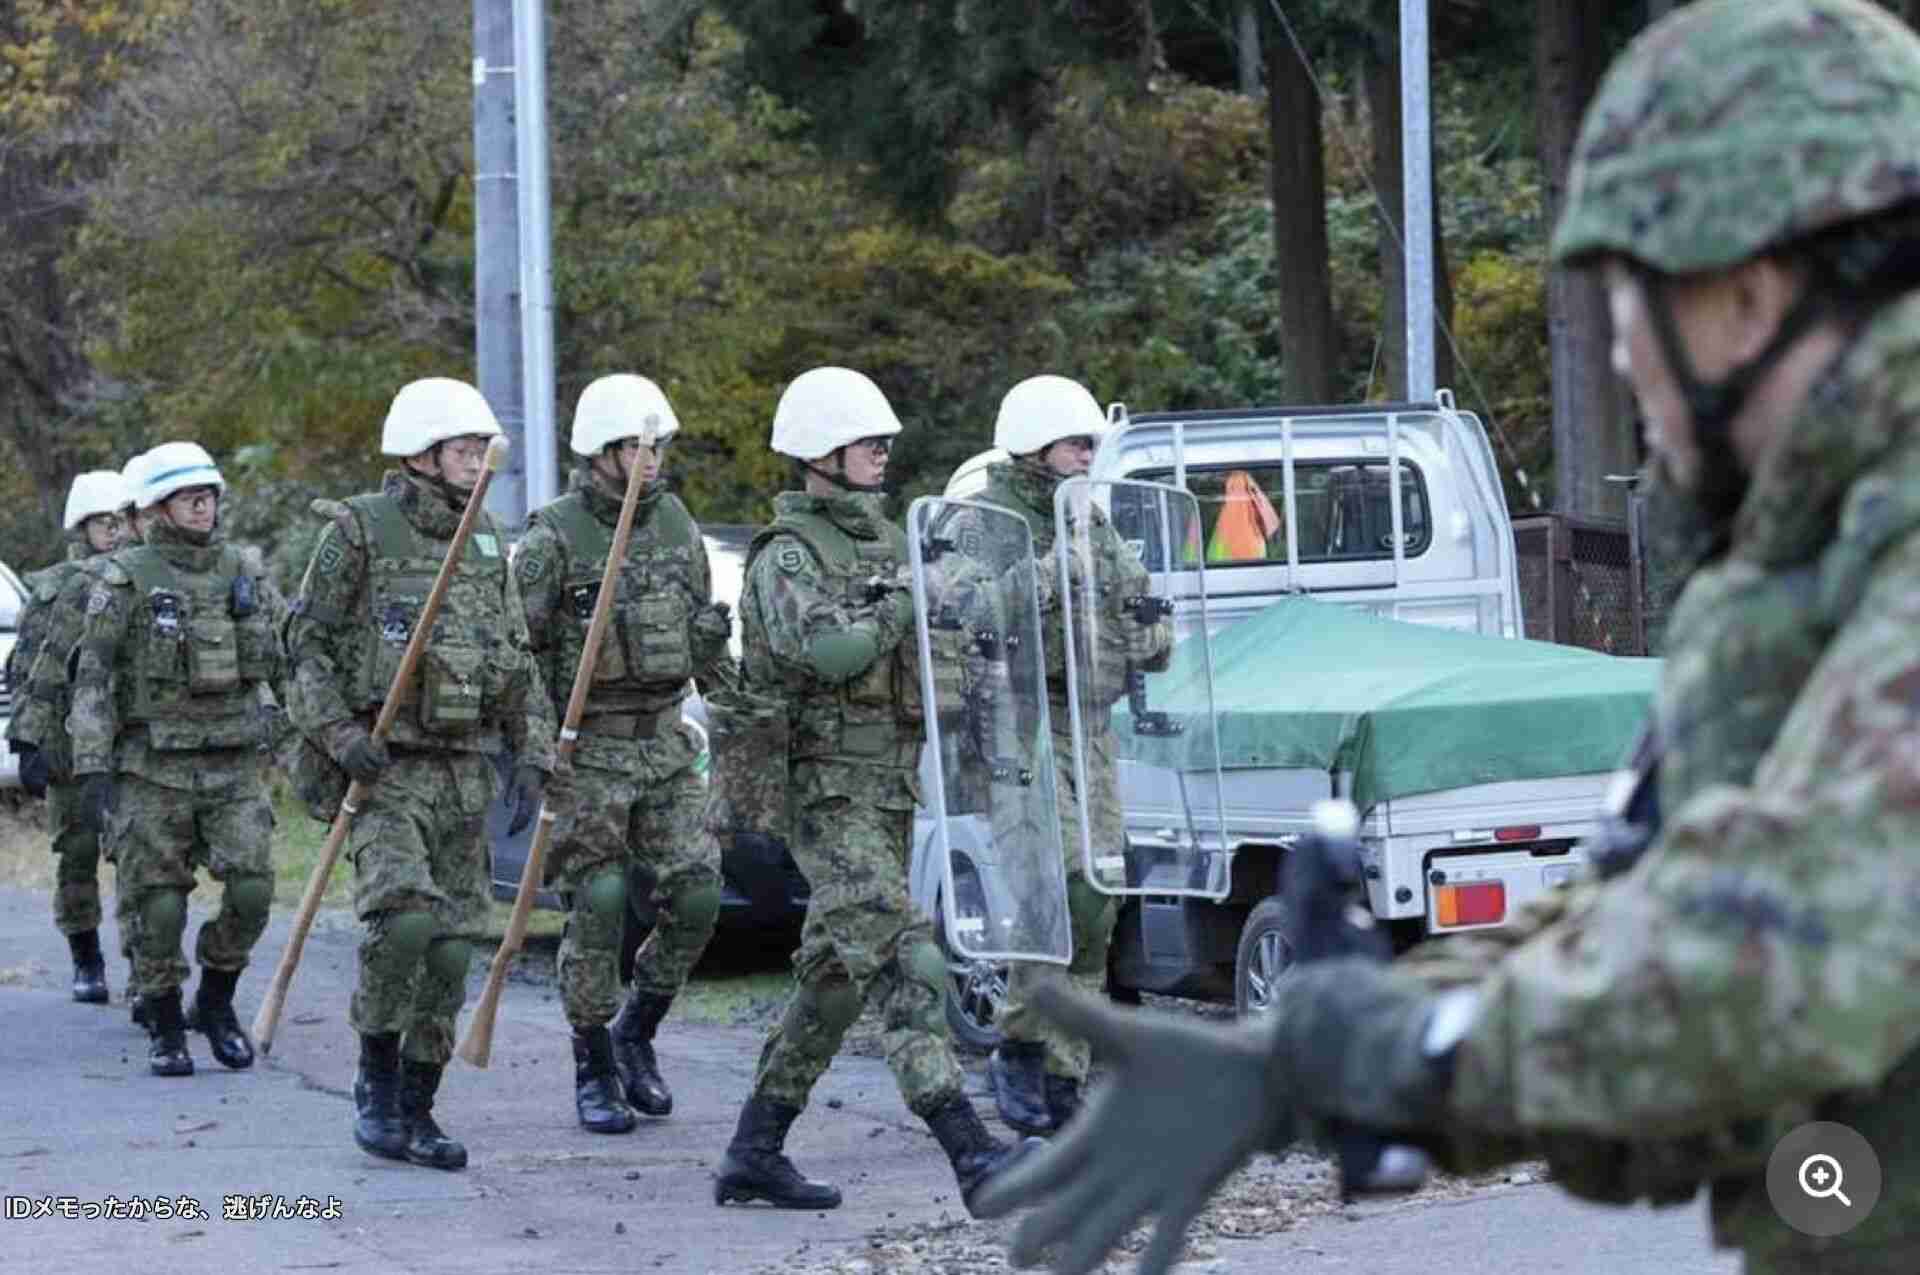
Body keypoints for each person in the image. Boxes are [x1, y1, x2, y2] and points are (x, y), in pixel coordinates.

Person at [973, 3, 1920, 1272]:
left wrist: (1406, 1054)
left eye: (1631, 309)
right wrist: (1323, 1057)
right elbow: (1664, 906)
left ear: (1744, 296)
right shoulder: (1814, 563)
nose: (1626, 366)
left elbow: (1795, 959)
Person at [713, 366, 1037, 1213]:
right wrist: (907, 597)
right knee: (907, 960)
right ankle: (972, 1154)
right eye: (867, 441)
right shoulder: (787, 556)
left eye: (884, 440)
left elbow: (960, 620)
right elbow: (833, 654)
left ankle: (753, 1152)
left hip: (891, 787)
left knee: (831, 978)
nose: (883, 452)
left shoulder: (895, 539)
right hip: (823, 793)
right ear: (820, 455)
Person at [284, 377, 557, 1169]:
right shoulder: (359, 533)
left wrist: (532, 753)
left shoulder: (485, 543)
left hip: (464, 770)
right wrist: (339, 733)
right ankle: (373, 1079)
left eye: (482, 450)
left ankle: (419, 1100)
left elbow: (514, 661)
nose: (480, 463)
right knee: (404, 919)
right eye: (467, 450)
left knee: (449, 947)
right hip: (387, 770)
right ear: (421, 454)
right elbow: (301, 645)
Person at [952, 375, 1170, 1138]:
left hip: (1092, 723)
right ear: (1037, 442)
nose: (1089, 457)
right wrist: (1052, 569)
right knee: (1060, 888)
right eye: (1079, 443)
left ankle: (1064, 1072)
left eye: (1092, 445)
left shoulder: (1092, 518)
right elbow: (971, 613)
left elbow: (1137, 599)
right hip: (1021, 723)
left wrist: (1149, 627)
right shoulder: (986, 519)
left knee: (1100, 895)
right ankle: (1017, 1038)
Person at [515, 374, 730, 1133]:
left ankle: (636, 1028)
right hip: (590, 750)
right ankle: (592, 1062)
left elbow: (705, 628)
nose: (654, 459)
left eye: (660, 445)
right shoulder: (553, 539)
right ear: (601, 450)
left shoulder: (675, 524)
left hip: (666, 742)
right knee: (601, 903)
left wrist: (730, 691)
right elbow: (520, 659)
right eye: (640, 447)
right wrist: (537, 749)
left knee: (699, 893)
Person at [65, 443, 287, 1077]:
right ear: (154, 507)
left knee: (252, 888)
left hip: (232, 763)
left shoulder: (244, 569)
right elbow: (94, 678)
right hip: (150, 769)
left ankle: (214, 1002)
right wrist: (91, 767)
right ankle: (164, 1019)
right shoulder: (124, 577)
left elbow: (279, 661)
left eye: (209, 493)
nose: (203, 503)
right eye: (188, 494)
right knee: (157, 905)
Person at [6, 469, 132, 1003]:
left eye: (124, 520)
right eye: (105, 522)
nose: (117, 531)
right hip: (68, 745)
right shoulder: (54, 589)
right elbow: (30, 670)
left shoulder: (143, 577)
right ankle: (86, 957)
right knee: (78, 853)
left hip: (131, 739)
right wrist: (28, 741)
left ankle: (147, 965)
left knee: (139, 858)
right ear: (81, 526)